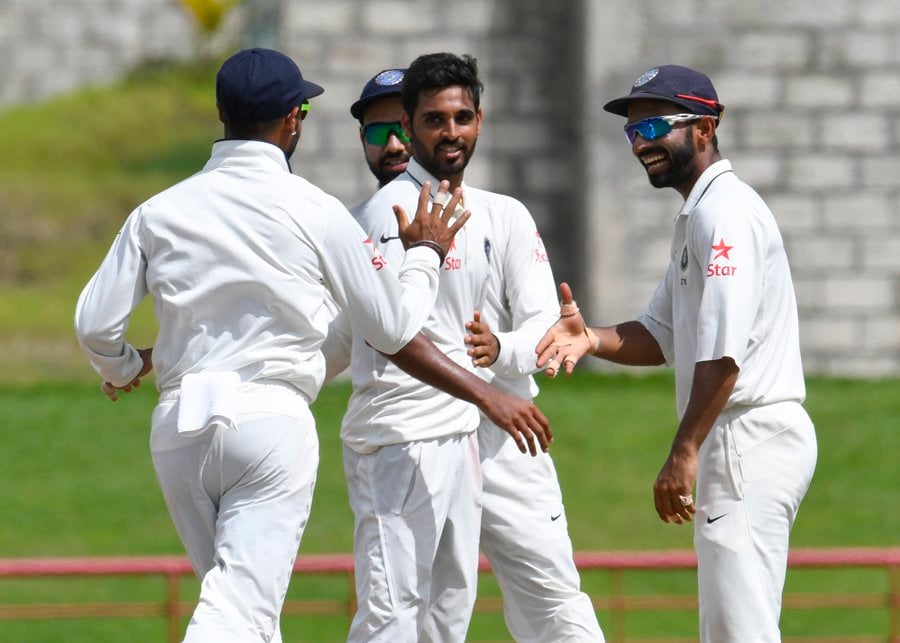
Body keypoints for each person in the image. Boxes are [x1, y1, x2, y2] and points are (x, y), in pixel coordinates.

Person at [74, 47, 546, 643]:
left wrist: (121, 365)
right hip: (269, 422)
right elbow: (393, 328)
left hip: (179, 424)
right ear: (295, 117)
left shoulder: (157, 211)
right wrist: (424, 256)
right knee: (238, 612)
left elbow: (94, 324)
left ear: (221, 111)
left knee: (240, 601)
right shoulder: (318, 211)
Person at [536, 64, 817, 642]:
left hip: (745, 435)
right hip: (739, 437)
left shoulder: (725, 214)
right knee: (733, 626)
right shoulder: (697, 216)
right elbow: (662, 334)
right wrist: (591, 337)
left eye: (657, 126)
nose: (643, 143)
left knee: (742, 630)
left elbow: (723, 354)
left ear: (706, 128)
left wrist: (683, 451)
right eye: (633, 132)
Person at [335, 53, 599, 642]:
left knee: (551, 599)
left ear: (479, 120)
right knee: (408, 614)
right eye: (434, 119)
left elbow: (545, 327)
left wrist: (499, 348)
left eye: (461, 118)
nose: (450, 132)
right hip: (417, 435)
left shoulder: (503, 215)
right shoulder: (376, 217)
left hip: (509, 434)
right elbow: (357, 335)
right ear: (411, 126)